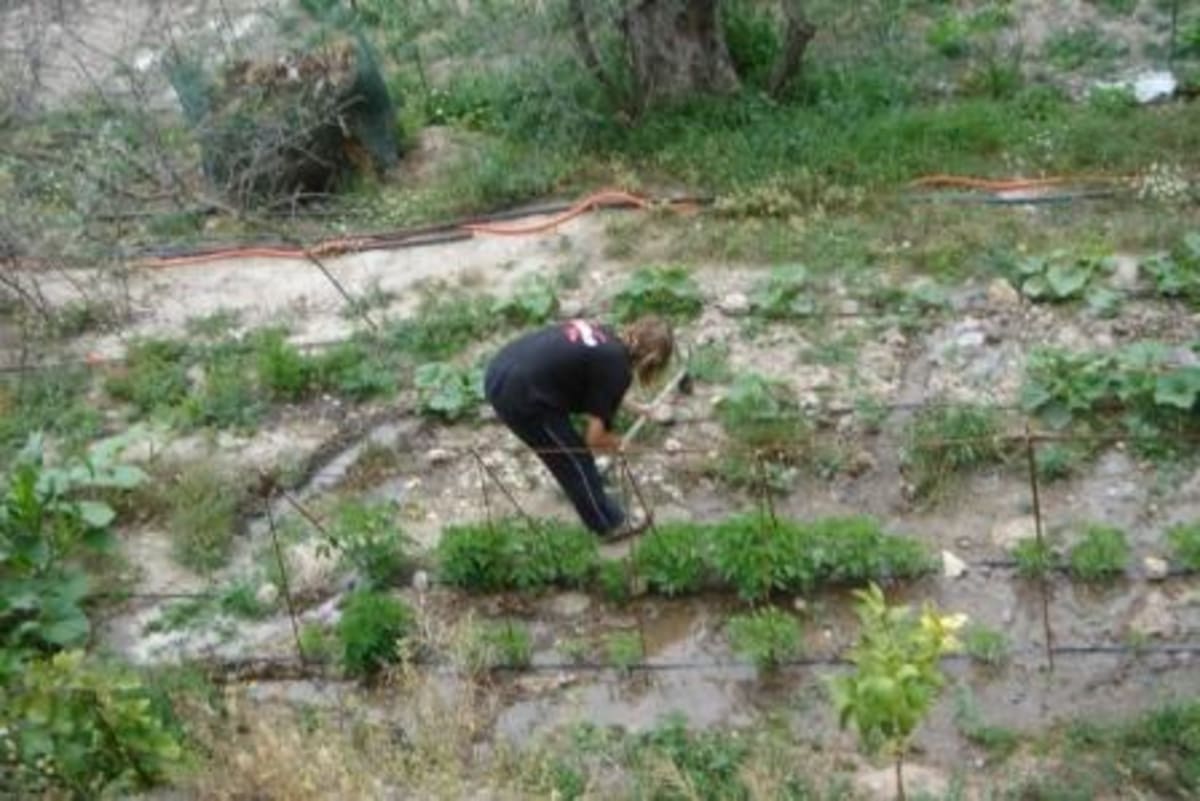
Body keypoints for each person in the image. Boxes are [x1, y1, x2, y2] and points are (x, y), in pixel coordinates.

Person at [484, 315, 674, 538]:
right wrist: (624, 444)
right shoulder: (617, 368)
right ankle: (609, 524)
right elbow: (594, 439)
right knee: (574, 458)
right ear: (652, 359)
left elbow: (600, 390)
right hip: (519, 394)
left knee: (570, 455)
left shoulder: (606, 337)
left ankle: (585, 487)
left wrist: (639, 409)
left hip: (503, 366)